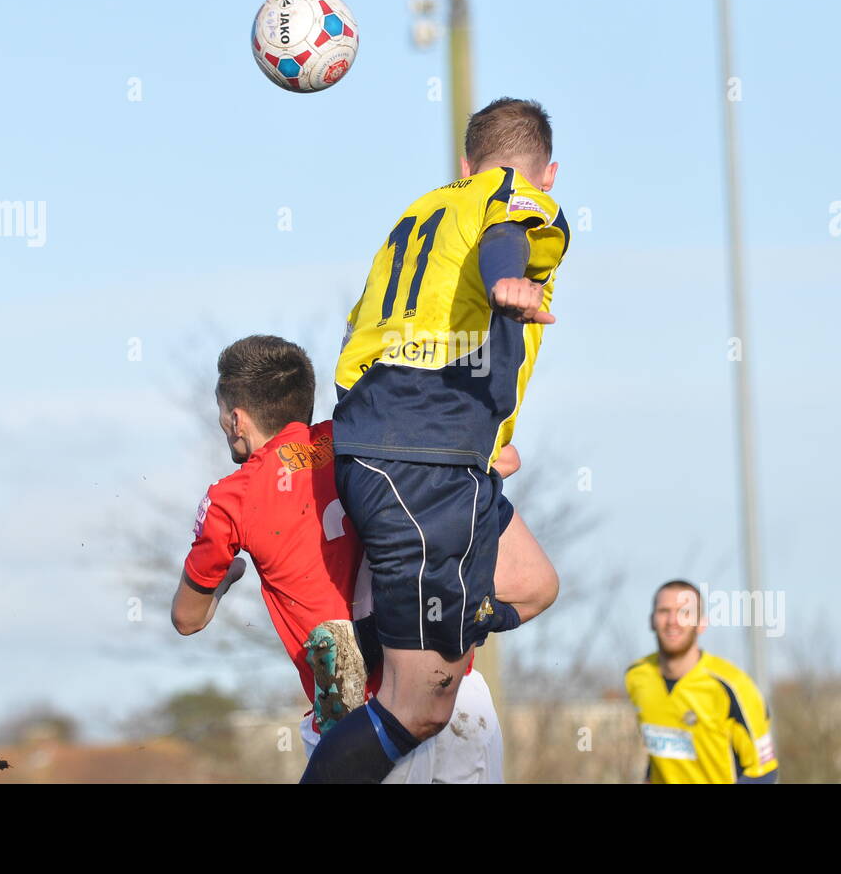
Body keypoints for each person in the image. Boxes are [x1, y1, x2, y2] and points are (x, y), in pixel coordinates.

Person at [302, 98, 567, 783]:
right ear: (549, 173)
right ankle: (380, 658)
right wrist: (506, 280)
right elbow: (506, 235)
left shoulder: (415, 215)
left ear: (462, 162)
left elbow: (362, 330)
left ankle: (380, 639)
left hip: (424, 444)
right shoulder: (512, 198)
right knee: (420, 707)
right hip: (423, 457)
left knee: (533, 583)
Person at [170, 335, 533, 782]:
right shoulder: (362, 439)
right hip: (457, 692)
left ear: (237, 419)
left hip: (367, 719)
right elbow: (503, 456)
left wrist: (225, 579)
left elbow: (188, 618)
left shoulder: (232, 499)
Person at [624, 580, 779, 783]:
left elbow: (764, 772)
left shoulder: (732, 686)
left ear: (701, 623)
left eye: (684, 612)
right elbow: (660, 755)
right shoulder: (636, 676)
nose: (672, 620)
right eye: (664, 611)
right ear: (652, 620)